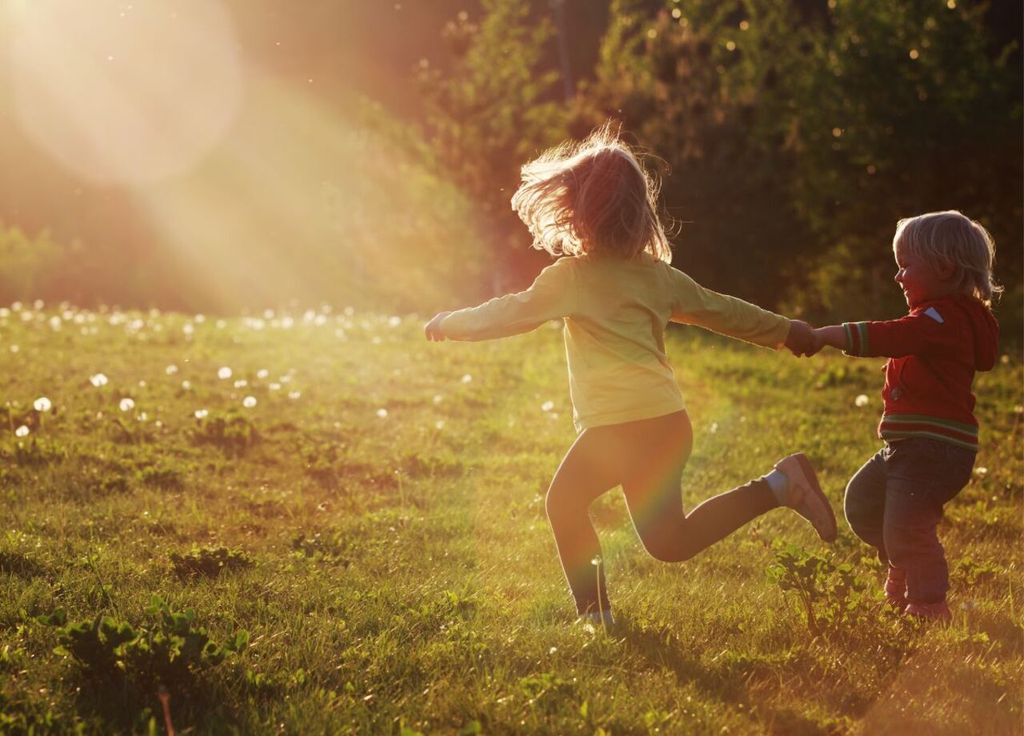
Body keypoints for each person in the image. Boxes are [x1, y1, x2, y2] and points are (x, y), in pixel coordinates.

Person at [424, 123, 836, 627]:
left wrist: (448, 323)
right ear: (640, 211)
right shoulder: (659, 279)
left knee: (564, 504)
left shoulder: (572, 278)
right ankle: (778, 485)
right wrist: (788, 331)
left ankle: (596, 617)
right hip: (666, 426)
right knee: (671, 542)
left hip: (620, 429)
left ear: (575, 211)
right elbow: (724, 310)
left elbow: (509, 313)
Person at [808, 210, 1000, 621]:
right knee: (862, 502)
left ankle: (929, 604)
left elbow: (891, 335)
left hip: (931, 450)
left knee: (908, 527)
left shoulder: (942, 318)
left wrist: (827, 334)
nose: (898, 277)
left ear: (944, 268)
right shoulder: (945, 319)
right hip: (914, 448)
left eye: (904, 266)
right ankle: (903, 564)